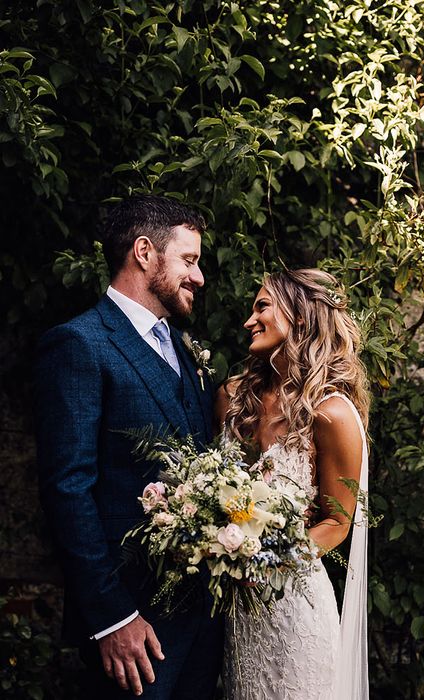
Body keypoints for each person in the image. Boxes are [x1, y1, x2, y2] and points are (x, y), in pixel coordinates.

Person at [35, 194, 224, 699]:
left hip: (199, 629)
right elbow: (67, 490)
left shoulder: (185, 351)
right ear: (144, 252)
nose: (199, 277)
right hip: (131, 635)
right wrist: (112, 618)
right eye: (189, 260)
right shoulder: (80, 344)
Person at [216, 269, 370, 700]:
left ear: (300, 318)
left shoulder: (333, 414)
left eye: (261, 306)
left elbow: (336, 524)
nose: (250, 320)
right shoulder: (233, 398)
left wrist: (270, 561)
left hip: (295, 606)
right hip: (239, 612)